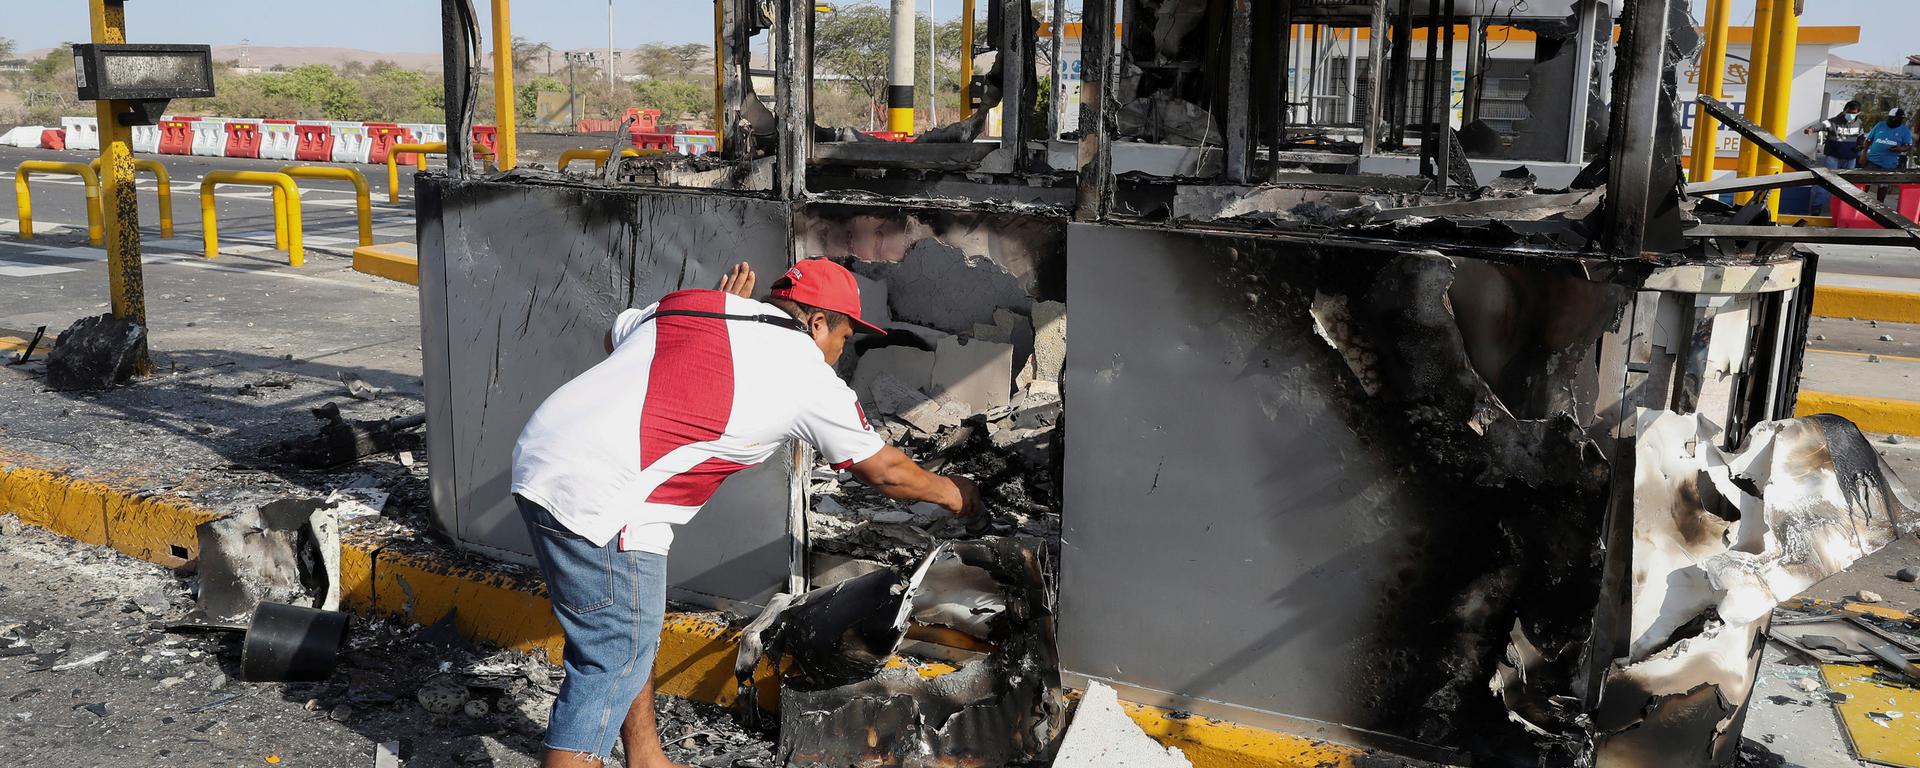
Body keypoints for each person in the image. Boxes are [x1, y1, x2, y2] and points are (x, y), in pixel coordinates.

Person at [509, 258, 984, 768]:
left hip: (541, 458)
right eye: (844, 339)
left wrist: (713, 319)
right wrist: (955, 493)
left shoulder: (691, 303)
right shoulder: (805, 371)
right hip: (604, 493)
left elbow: (615, 337)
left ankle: (646, 758)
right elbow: (885, 471)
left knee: (631, 631)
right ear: (818, 323)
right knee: (611, 659)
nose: (839, 356)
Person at [1803, 100, 1865, 215]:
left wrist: (1860, 145)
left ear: (1858, 113)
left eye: (1853, 113)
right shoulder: (1833, 122)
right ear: (1844, 111)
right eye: (1849, 112)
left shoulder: (1859, 123)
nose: (1851, 115)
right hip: (1833, 158)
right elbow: (1821, 125)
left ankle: (1844, 211)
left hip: (1850, 159)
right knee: (1826, 183)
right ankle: (1817, 207)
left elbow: (1861, 136)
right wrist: (1811, 129)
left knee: (1847, 186)